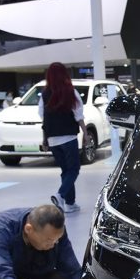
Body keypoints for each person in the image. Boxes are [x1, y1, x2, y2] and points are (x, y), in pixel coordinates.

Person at [39, 62, 88, 214]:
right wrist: (86, 133)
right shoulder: (71, 92)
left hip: (53, 139)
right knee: (74, 169)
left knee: (66, 171)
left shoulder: (44, 94)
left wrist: (45, 139)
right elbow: (78, 115)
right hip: (69, 138)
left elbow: (43, 117)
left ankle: (70, 203)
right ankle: (60, 195)